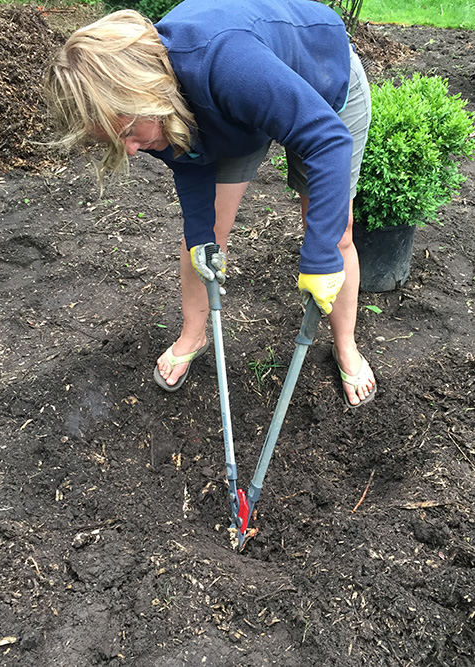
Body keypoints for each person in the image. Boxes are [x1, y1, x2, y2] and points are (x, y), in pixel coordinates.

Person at [44, 0, 376, 408]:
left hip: (318, 78)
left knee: (332, 229)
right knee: (207, 239)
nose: (130, 150)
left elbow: (326, 139)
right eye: (115, 140)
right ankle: (193, 333)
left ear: (150, 92)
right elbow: (189, 161)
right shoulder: (142, 118)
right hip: (228, 113)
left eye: (130, 132)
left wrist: (320, 257)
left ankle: (346, 346)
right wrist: (201, 236)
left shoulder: (223, 62)